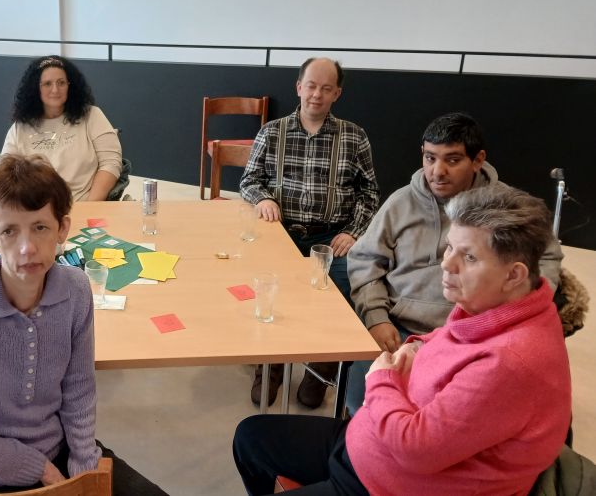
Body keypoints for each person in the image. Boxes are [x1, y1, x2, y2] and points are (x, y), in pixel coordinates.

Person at [233, 185, 571, 496]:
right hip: (369, 445)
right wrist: (418, 344)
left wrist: (382, 378)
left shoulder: (510, 362)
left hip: (388, 483)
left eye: (468, 257)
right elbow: (453, 335)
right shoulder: (499, 305)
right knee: (250, 437)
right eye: (450, 247)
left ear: (514, 274)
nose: (446, 264)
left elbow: (416, 450)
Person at [0, 154, 167, 494]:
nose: (27, 248)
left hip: (58, 454)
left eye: (40, 227)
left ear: (62, 229)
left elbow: (79, 388)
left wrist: (84, 470)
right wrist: (41, 470)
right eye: (9, 231)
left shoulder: (76, 289)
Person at [346, 112, 562, 414]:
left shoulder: (510, 208)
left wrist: (515, 313)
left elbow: (548, 258)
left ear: (478, 160)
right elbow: (365, 259)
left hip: (476, 337)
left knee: (456, 413)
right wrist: (376, 317)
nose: (438, 171)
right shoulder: (400, 202)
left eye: (452, 160)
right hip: (400, 329)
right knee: (362, 402)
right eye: (430, 158)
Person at [240, 57, 379, 408]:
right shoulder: (272, 132)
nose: (317, 94)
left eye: (326, 88)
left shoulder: (354, 136)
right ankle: (269, 368)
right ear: (299, 87)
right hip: (280, 234)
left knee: (339, 302)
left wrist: (354, 231)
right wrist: (263, 198)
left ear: (337, 94)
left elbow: (369, 193)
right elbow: (249, 180)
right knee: (271, 297)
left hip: (332, 238)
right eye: (312, 86)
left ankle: (320, 371)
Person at [2, 55, 122, 202]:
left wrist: (90, 207)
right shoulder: (20, 128)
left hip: (84, 206)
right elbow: (3, 175)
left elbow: (110, 164)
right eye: (47, 84)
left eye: (61, 83)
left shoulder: (92, 116)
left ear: (70, 86)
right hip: (34, 210)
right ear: (35, 88)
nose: (55, 90)